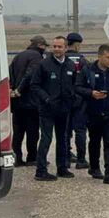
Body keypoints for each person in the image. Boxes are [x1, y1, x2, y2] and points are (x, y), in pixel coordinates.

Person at [75, 44, 109, 185]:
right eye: (108, 57)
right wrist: (91, 93)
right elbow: (77, 87)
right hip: (93, 113)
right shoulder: (88, 70)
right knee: (94, 141)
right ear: (99, 57)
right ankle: (94, 167)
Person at [30, 36, 78, 181]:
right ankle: (41, 171)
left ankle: (62, 168)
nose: (56, 49)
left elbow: (74, 85)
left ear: (66, 48)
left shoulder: (70, 65)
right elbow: (34, 85)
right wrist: (46, 99)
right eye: (54, 46)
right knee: (46, 139)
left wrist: (72, 99)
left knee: (63, 139)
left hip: (64, 109)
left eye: (59, 47)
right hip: (47, 110)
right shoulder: (44, 65)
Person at [8, 35, 47, 166]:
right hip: (31, 101)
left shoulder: (18, 56)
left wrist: (13, 90)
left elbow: (10, 73)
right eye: (44, 46)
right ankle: (32, 158)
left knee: (18, 132)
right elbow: (30, 75)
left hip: (16, 101)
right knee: (32, 131)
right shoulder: (37, 57)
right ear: (40, 45)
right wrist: (20, 89)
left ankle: (17, 158)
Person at [65, 32, 90, 169]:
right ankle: (81, 160)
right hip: (80, 99)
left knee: (65, 130)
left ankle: (66, 157)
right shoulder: (82, 60)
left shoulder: (61, 58)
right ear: (77, 45)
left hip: (65, 99)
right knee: (80, 130)